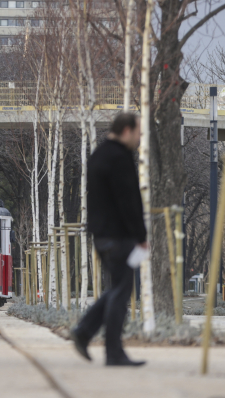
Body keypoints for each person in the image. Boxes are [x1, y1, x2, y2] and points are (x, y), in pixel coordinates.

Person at [70, 112, 147, 367]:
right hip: (118, 235)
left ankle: (84, 331)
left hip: (101, 234)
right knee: (121, 291)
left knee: (117, 288)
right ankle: (113, 352)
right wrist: (141, 236)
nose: (139, 139)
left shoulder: (99, 154)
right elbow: (129, 201)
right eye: (138, 133)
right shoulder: (119, 158)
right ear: (126, 130)